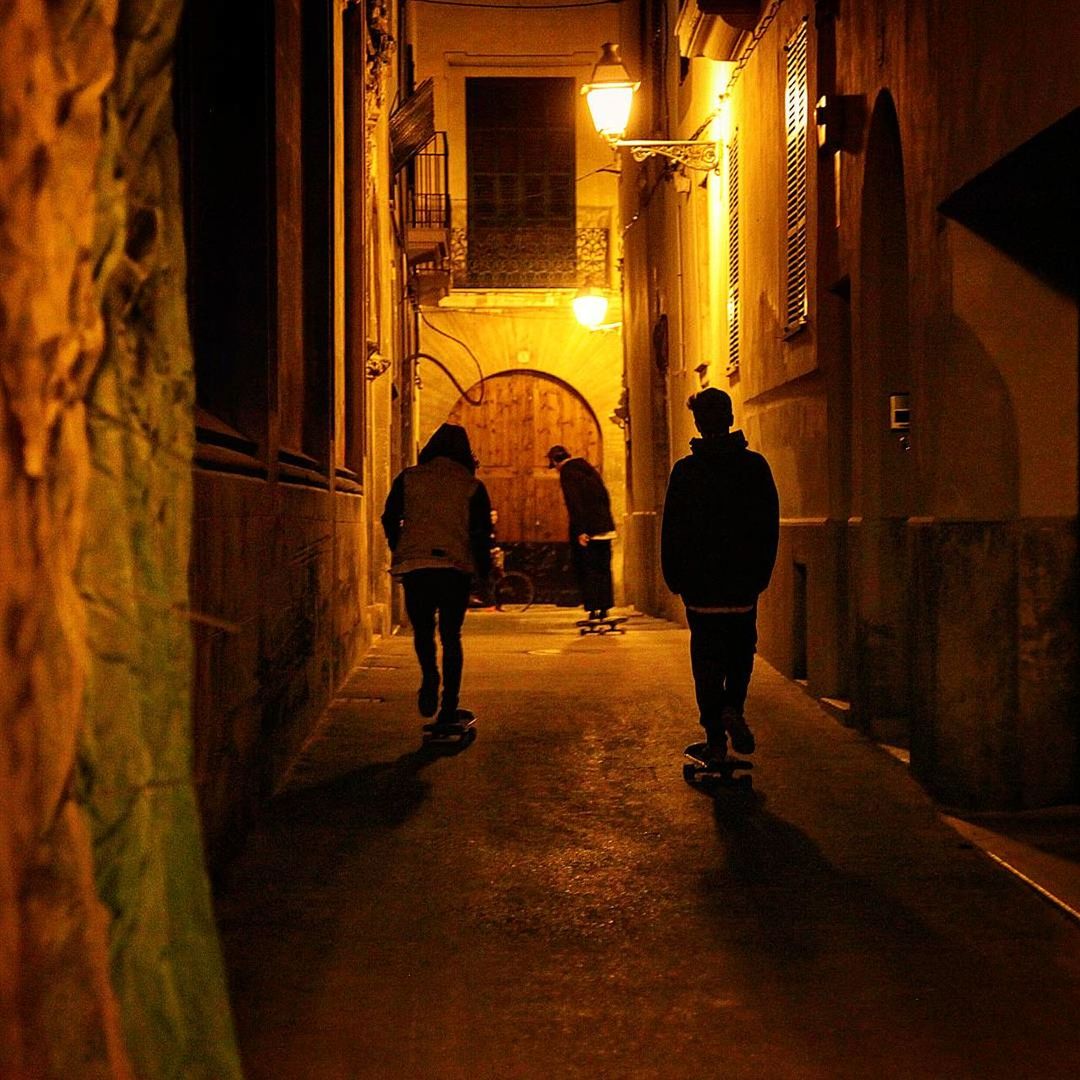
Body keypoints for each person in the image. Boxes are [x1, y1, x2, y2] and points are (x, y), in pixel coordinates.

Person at [660, 388, 779, 759]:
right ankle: (733, 708)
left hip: (701, 589)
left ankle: (714, 737)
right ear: (730, 418)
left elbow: (672, 529)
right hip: (742, 586)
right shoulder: (755, 467)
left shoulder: (686, 471)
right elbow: (768, 525)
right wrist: (760, 575)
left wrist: (676, 578)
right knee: (741, 651)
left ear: (698, 423)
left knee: (707, 659)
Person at [382, 423, 492, 725]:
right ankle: (448, 706)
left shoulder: (409, 478)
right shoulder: (471, 485)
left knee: (423, 631)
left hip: (416, 566)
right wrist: (485, 575)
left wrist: (400, 546)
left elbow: (389, 517)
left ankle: (429, 677)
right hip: (455, 568)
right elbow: (482, 534)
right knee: (451, 637)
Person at [546, 445, 616, 620]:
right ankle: (605, 607)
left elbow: (574, 502)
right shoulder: (589, 470)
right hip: (605, 528)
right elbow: (604, 496)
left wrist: (581, 530)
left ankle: (593, 608)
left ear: (555, 461)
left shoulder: (567, 473)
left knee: (589, 570)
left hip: (588, 531)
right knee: (603, 568)